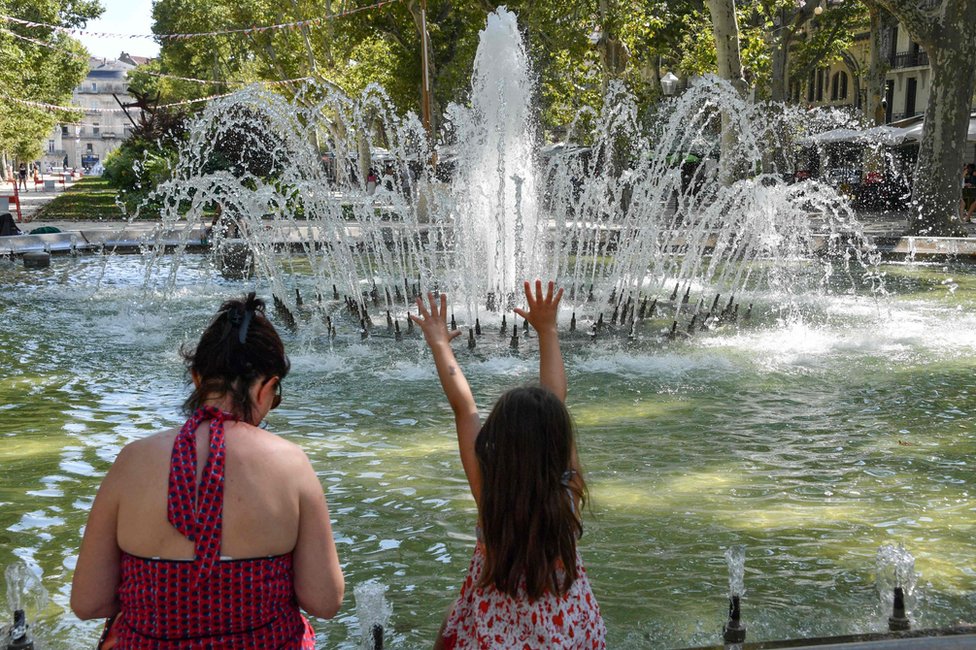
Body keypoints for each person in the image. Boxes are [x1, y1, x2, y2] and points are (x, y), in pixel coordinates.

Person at [71, 293, 344, 648]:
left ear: (198, 379)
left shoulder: (132, 461)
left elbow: (88, 603)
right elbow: (324, 602)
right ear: (266, 388)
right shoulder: (290, 464)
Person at [411, 280, 606, 649]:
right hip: (570, 637)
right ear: (560, 445)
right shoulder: (568, 494)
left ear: (494, 446)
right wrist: (548, 331)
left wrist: (439, 344)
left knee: (454, 619)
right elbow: (555, 400)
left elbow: (464, 408)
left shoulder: (492, 498)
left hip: (494, 638)